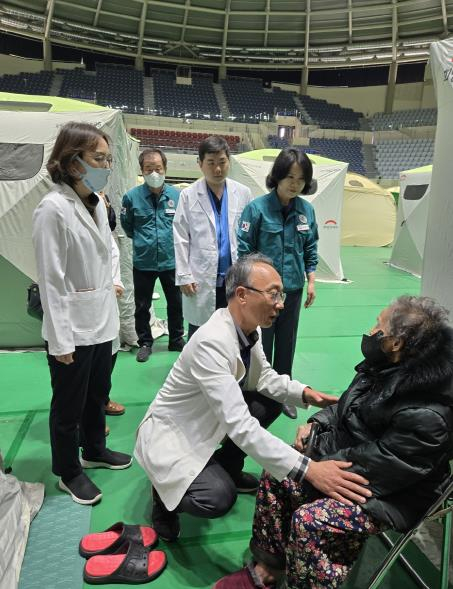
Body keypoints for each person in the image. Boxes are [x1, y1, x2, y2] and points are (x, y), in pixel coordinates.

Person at [215, 295, 453, 589]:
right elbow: (347, 407)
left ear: (395, 343)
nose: (370, 331)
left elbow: (381, 465)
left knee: (311, 520)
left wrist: (315, 460)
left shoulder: (428, 412)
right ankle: (269, 568)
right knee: (277, 472)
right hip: (352, 466)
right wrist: (317, 425)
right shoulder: (385, 367)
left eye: (377, 325)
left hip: (394, 494)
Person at [135, 254, 371, 542]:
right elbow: (240, 425)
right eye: (273, 294)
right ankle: (163, 498)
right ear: (242, 295)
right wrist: (308, 469)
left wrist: (305, 393)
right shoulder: (212, 341)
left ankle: (228, 466)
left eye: (281, 295)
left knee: (270, 401)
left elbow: (262, 378)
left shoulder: (249, 328)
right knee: (217, 497)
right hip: (174, 433)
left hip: (208, 420)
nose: (281, 304)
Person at [32, 122, 132, 506]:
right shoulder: (53, 209)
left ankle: (94, 449)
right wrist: (60, 340)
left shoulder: (97, 202)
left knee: (97, 395)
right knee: (68, 406)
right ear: (73, 162)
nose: (106, 166)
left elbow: (108, 252)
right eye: (98, 159)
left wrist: (114, 283)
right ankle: (68, 471)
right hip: (71, 329)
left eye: (107, 159)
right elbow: (51, 279)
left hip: (101, 321)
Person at [237, 148, 318, 421]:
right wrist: (251, 287)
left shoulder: (306, 211)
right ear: (278, 176)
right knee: (260, 344)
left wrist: (311, 280)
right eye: (290, 177)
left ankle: (285, 394)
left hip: (292, 290)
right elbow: (245, 250)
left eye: (301, 179)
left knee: (287, 343)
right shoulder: (256, 209)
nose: (295, 184)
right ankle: (258, 391)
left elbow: (311, 248)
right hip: (263, 293)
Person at [173, 135, 252, 340]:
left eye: (222, 162)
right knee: (201, 335)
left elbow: (249, 235)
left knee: (236, 332)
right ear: (200, 164)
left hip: (235, 278)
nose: (217, 169)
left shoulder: (243, 193)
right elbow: (181, 237)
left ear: (229, 162)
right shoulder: (188, 195)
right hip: (201, 276)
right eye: (211, 163)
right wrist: (183, 274)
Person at [121, 148, 184, 363]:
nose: (154, 173)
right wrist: (143, 241)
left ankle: (176, 339)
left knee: (175, 303)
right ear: (142, 170)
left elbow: (183, 226)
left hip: (171, 260)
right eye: (149, 169)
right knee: (142, 306)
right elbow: (127, 226)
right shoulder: (131, 197)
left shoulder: (177, 196)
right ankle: (145, 343)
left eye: (158, 168)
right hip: (143, 261)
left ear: (165, 169)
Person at [99, 191, 125, 418]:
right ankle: (88, 414)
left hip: (108, 302)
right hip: (89, 307)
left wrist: (116, 282)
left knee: (111, 350)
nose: (104, 202)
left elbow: (113, 259)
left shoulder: (106, 231)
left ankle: (102, 399)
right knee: (90, 362)